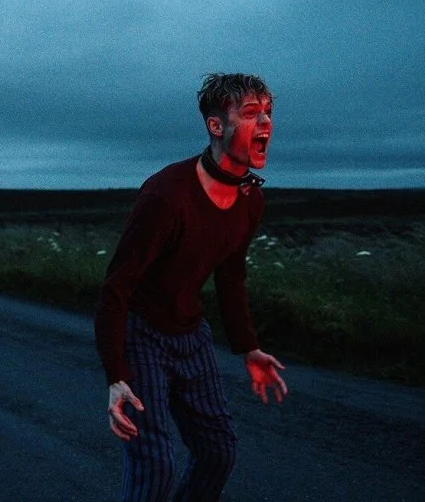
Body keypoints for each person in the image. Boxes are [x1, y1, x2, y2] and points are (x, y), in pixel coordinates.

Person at [94, 73, 288, 501]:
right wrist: (116, 376)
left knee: (218, 453)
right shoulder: (166, 195)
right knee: (155, 465)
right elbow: (115, 288)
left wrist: (248, 348)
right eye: (250, 113)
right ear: (216, 126)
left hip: (190, 335)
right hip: (142, 334)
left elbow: (231, 274)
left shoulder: (250, 199)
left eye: (268, 113)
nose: (265, 123)